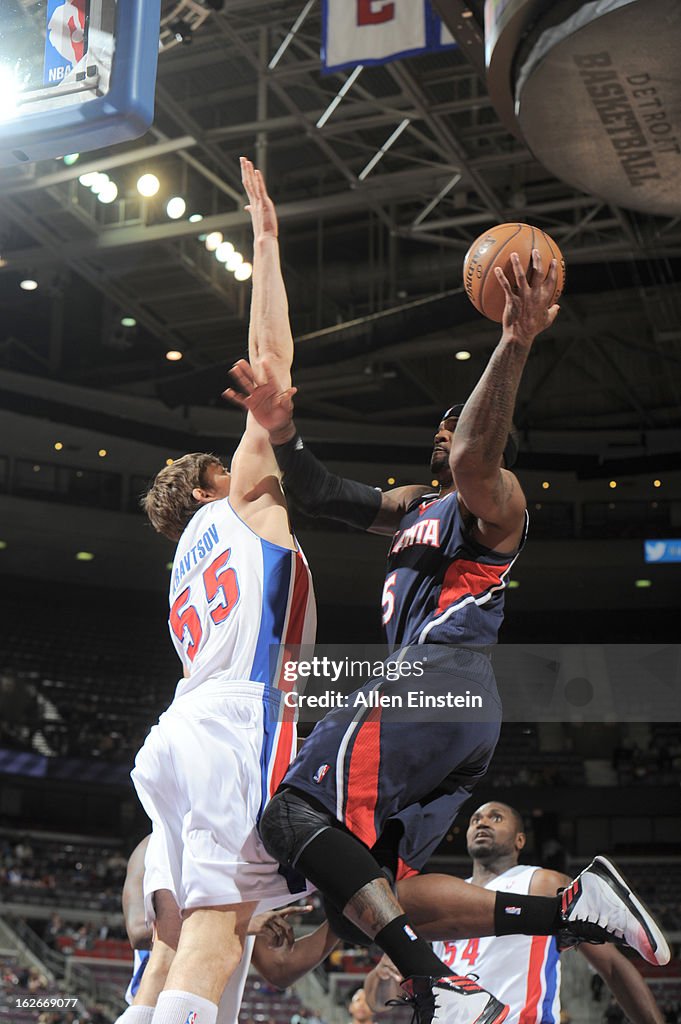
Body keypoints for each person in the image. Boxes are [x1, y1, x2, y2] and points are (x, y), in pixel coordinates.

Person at [226, 252, 669, 1024]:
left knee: (288, 814)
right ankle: (570, 908)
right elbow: (322, 493)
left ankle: (444, 986)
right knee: (387, 886)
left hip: (433, 678)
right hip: (458, 711)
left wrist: (515, 341)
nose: (446, 430)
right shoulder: (410, 508)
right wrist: (282, 427)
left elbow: (472, 454)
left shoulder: (495, 502)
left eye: (458, 424)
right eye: (440, 423)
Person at [116, 157, 316, 1024]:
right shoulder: (239, 501)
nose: (240, 455)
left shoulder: (183, 564)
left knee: (176, 947)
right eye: (224, 459)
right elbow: (270, 359)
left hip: (179, 733)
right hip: (239, 720)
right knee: (219, 930)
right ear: (210, 483)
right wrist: (265, 241)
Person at [364, 802, 666, 1024]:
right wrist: (383, 972)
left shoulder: (541, 882)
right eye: (475, 819)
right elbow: (377, 1004)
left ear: (520, 840)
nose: (482, 823)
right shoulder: (443, 896)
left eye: (495, 818)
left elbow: (612, 967)